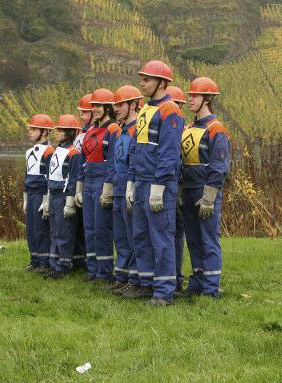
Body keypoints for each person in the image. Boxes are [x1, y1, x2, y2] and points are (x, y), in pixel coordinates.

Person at [124, 60, 184, 306]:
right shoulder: (146, 110)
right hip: (141, 181)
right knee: (141, 235)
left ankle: (164, 291)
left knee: (161, 237)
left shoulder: (171, 111)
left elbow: (169, 152)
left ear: (161, 83)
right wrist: (132, 180)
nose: (142, 83)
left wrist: (159, 185)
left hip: (159, 183)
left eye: (146, 79)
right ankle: (145, 283)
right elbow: (136, 148)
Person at [180, 77, 230, 298]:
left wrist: (210, 197)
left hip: (204, 190)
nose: (190, 99)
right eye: (190, 95)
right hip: (188, 189)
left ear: (207, 99)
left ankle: (211, 288)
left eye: (195, 96)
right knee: (193, 239)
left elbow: (219, 166)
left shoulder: (216, 129)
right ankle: (197, 282)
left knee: (208, 239)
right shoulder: (189, 127)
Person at [80, 88, 121, 283]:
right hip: (89, 179)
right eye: (93, 106)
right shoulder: (89, 130)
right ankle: (92, 269)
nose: (94, 109)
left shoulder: (113, 129)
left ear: (107, 107)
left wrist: (108, 186)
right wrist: (79, 187)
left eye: (98, 106)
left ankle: (104, 272)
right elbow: (83, 158)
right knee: (89, 227)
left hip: (103, 179)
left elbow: (114, 159)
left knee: (102, 227)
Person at [108, 85, 143, 295]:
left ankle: (136, 278)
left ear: (133, 104)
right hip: (119, 188)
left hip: (131, 188)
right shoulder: (121, 132)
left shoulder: (138, 129)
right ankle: (122, 276)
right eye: (115, 105)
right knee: (121, 237)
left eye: (120, 104)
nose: (116, 108)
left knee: (133, 236)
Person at [46, 114, 84, 279]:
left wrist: (70, 200)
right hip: (53, 195)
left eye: (61, 130)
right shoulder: (57, 150)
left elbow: (74, 177)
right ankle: (54, 264)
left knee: (64, 232)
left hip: (63, 196)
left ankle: (64, 266)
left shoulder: (73, 153)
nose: (57, 132)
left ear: (69, 132)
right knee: (54, 232)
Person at [23, 114, 55, 273]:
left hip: (42, 193)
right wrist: (24, 198)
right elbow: (26, 175)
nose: (29, 132)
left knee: (42, 228)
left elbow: (51, 177)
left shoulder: (50, 152)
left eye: (33, 129)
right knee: (31, 228)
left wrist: (47, 199)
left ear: (44, 132)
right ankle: (34, 259)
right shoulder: (29, 152)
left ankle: (45, 262)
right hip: (30, 193)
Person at [165, 85, 187, 291]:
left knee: (175, 234)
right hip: (171, 184)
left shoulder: (182, 130)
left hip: (178, 186)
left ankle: (176, 277)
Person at [72, 94, 95, 270]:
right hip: (81, 180)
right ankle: (81, 258)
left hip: (92, 180)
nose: (82, 116)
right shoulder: (81, 134)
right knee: (82, 224)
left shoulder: (97, 133)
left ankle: (91, 261)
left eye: (85, 112)